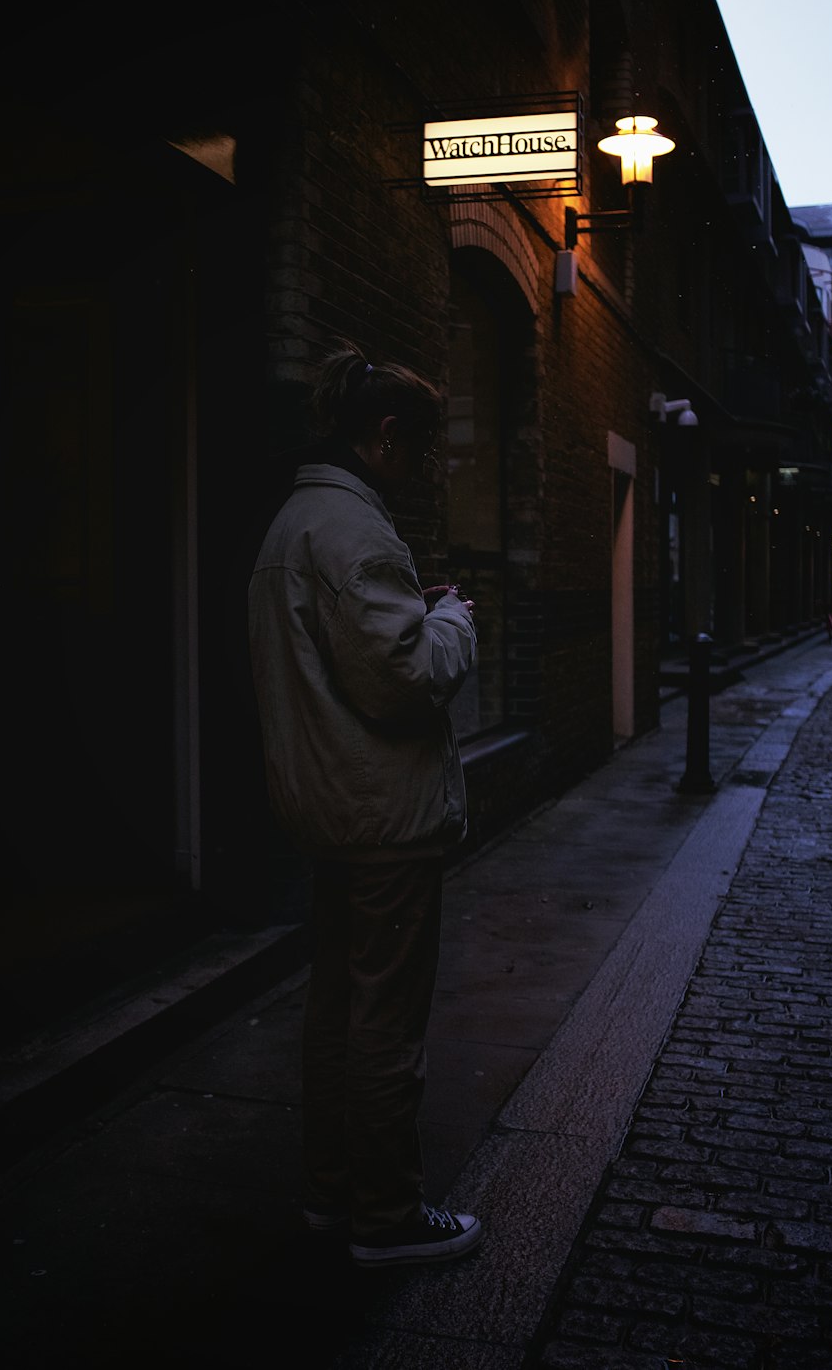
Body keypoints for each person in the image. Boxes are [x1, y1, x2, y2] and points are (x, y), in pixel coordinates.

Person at [248, 338, 482, 1269]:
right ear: (386, 436)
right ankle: (386, 1214)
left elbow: (349, 649)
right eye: (420, 450)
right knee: (386, 1020)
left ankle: (331, 1191)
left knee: (338, 1011)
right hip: (383, 817)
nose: (421, 470)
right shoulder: (355, 531)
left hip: (328, 807)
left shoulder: (295, 523)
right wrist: (456, 616)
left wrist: (408, 611)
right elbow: (404, 678)